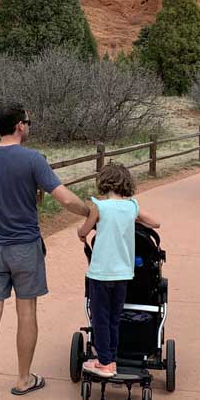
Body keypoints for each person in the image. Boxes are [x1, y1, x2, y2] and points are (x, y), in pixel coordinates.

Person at [0, 102, 91, 400]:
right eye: (28, 122)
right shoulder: (33, 159)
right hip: (24, 248)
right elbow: (62, 197)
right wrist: (92, 211)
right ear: (19, 125)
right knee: (26, 310)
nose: (29, 126)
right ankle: (23, 378)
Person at [76, 162, 161, 378]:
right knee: (114, 317)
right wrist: (136, 218)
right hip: (123, 273)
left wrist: (81, 232)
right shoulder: (132, 207)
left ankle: (104, 362)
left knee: (100, 317)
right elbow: (155, 223)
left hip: (101, 273)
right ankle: (111, 358)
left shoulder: (99, 206)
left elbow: (84, 229)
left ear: (104, 182)